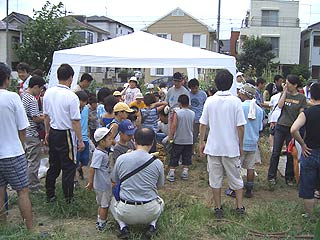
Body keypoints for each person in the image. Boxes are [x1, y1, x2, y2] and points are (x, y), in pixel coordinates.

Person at [199, 69, 246, 218]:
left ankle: (218, 208)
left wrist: (201, 142)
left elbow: (202, 124)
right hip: (230, 147)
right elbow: (240, 126)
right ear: (231, 83)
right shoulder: (236, 101)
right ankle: (239, 207)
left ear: (216, 83)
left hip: (213, 147)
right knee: (236, 178)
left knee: (215, 179)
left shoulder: (210, 100)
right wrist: (240, 145)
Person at [110, 128, 165, 239]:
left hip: (126, 211)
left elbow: (114, 179)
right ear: (153, 142)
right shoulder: (157, 162)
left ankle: (123, 227)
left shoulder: (122, 159)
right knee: (161, 202)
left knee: (111, 201)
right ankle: (152, 225)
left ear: (134, 141)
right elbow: (160, 186)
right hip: (150, 211)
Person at [43, 64, 85, 203]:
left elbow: (46, 116)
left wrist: (47, 133)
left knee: (53, 165)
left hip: (54, 131)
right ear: (71, 77)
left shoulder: (48, 92)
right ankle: (68, 198)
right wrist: (80, 140)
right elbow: (75, 121)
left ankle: (50, 194)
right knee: (68, 166)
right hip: (66, 133)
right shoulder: (71, 96)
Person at [0, 62, 33, 229]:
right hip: (13, 152)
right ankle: (30, 230)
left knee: (0, 190)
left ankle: (3, 227)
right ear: (6, 79)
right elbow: (22, 128)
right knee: (22, 191)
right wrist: (20, 146)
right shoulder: (12, 97)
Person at [267, 75, 307, 186]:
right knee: (276, 152)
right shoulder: (284, 94)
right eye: (286, 82)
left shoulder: (301, 98)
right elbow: (280, 106)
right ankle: (271, 176)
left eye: (289, 83)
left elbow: (301, 113)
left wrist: (297, 127)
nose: (286, 85)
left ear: (295, 85)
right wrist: (284, 92)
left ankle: (289, 177)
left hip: (292, 128)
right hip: (281, 126)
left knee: (290, 153)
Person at [291, 82, 320, 217]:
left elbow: (294, 129)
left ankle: (311, 216)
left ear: (311, 95)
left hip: (310, 151)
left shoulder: (307, 113)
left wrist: (302, 144)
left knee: (308, 187)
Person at [238, 83, 263, 198]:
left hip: (240, 143)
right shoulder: (259, 110)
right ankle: (249, 189)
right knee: (250, 167)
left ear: (244, 94)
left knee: (237, 167)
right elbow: (260, 128)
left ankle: (235, 188)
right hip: (253, 142)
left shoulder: (240, 107)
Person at [85, 127, 114, 231]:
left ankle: (100, 221)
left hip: (103, 183)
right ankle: (101, 225)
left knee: (102, 204)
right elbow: (92, 168)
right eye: (109, 139)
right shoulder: (99, 154)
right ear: (102, 141)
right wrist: (90, 182)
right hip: (103, 185)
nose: (112, 141)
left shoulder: (102, 152)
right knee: (104, 205)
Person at [21, 75, 46, 191]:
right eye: (40, 89)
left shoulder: (23, 96)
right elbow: (35, 118)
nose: (40, 92)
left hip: (25, 133)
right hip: (32, 133)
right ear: (35, 87)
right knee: (34, 160)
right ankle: (33, 186)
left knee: (28, 158)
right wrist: (45, 118)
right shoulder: (31, 99)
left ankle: (31, 182)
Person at [167, 94, 195, 182]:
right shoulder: (192, 113)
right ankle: (185, 172)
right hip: (189, 139)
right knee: (187, 156)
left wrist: (170, 137)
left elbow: (173, 126)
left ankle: (171, 172)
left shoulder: (177, 113)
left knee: (175, 156)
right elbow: (192, 126)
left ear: (179, 103)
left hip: (179, 139)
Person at [187, 78, 207, 153]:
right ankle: (192, 150)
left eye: (196, 88)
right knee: (193, 136)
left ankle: (203, 150)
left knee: (203, 136)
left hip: (201, 118)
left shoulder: (203, 94)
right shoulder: (188, 94)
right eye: (192, 88)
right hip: (192, 119)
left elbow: (205, 105)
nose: (194, 90)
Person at [75, 91, 89, 181]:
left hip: (85, 138)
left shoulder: (86, 108)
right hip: (76, 138)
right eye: (82, 101)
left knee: (85, 160)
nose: (84, 103)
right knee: (75, 160)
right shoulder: (73, 109)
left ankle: (80, 168)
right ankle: (75, 179)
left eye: (85, 101)